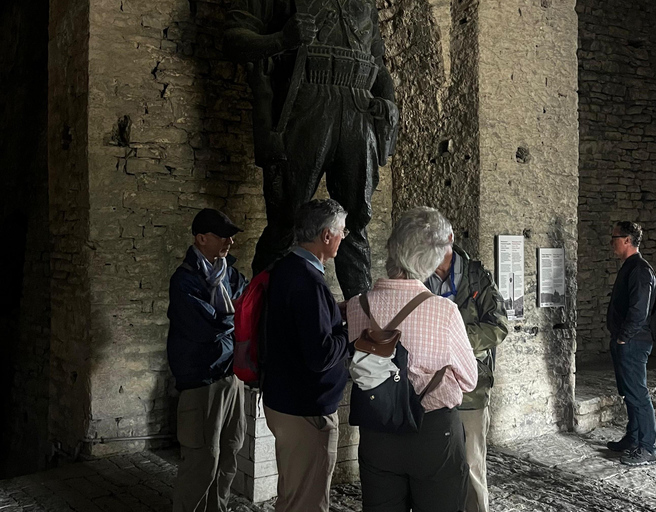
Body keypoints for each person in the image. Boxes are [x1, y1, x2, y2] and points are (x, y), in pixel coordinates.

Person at [224, 0, 398, 299]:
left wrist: (389, 102)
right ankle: (265, 316)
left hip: (359, 108)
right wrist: (281, 40)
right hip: (305, 102)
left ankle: (360, 319)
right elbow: (233, 39)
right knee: (286, 221)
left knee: (355, 225)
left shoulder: (364, 4)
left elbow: (378, 65)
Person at [347, 207, 478, 512]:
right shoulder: (443, 311)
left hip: (377, 431)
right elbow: (469, 379)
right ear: (431, 257)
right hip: (432, 433)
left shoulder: (357, 306)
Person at [261, 199, 350, 512]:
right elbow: (320, 355)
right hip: (306, 411)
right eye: (342, 231)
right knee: (307, 503)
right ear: (326, 236)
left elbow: (296, 328)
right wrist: (350, 334)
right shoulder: (308, 281)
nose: (345, 236)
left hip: (285, 401)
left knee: (293, 495)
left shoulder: (287, 267)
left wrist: (331, 314)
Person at [166, 208, 248, 512]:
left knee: (229, 454)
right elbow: (206, 328)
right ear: (201, 238)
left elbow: (246, 303)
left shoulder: (229, 273)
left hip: (230, 376)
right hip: (200, 381)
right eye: (223, 236)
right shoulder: (184, 282)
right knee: (202, 462)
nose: (229, 242)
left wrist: (235, 317)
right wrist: (237, 319)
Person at [425, 241, 508, 512]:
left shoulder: (477, 277)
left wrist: (455, 338)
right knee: (434, 466)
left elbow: (498, 327)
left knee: (471, 464)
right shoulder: (419, 274)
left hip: (470, 389)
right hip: (429, 387)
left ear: (447, 240)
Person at [605, 221, 656, 465]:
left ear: (627, 240)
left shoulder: (639, 269)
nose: (611, 242)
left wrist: (624, 337)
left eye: (615, 237)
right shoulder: (632, 267)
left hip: (633, 342)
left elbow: (639, 310)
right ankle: (633, 437)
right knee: (629, 393)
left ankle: (647, 447)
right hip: (627, 340)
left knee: (638, 393)